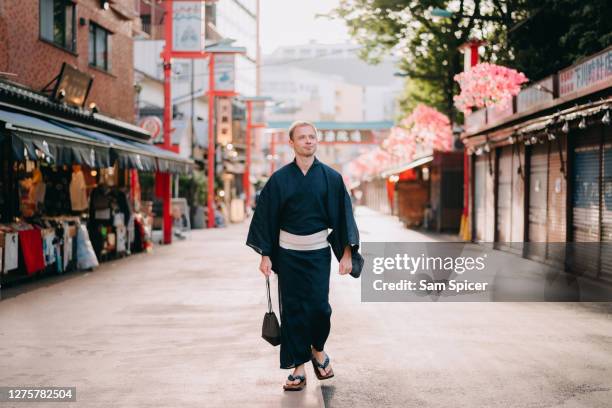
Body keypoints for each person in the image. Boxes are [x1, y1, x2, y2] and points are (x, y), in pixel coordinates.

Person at [246, 120, 360, 391]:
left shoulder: (331, 178)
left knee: (321, 308)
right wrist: (266, 255)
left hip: (318, 253)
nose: (308, 141)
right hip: (288, 255)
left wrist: (346, 254)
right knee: (293, 311)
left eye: (312, 137)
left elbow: (344, 218)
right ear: (292, 143)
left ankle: (318, 349)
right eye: (303, 137)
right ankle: (298, 367)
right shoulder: (279, 179)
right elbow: (267, 218)